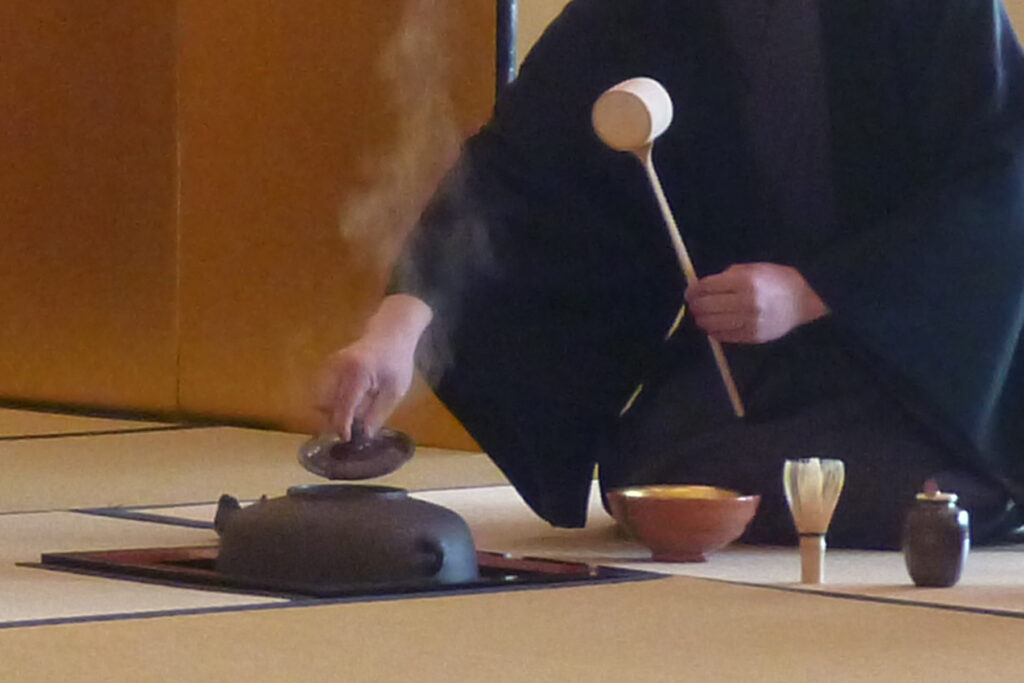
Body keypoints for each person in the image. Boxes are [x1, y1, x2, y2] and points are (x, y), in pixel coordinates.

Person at [316, 0, 1024, 549]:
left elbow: (1002, 178)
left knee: (899, 489)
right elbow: (515, 170)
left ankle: (974, 483)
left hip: (919, 359)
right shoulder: (644, 9)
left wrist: (812, 291)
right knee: (653, 476)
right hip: (746, 355)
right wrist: (398, 328)